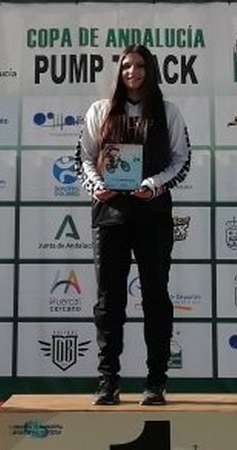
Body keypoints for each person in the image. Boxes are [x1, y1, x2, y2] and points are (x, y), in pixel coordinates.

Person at [76, 43, 191, 406]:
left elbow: (181, 161)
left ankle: (155, 382)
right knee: (109, 301)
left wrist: (153, 184)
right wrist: (97, 186)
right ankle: (108, 382)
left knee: (156, 297)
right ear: (119, 71)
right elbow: (82, 158)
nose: (133, 72)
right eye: (127, 65)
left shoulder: (167, 112)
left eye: (140, 65)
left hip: (152, 216)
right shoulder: (100, 110)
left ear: (150, 70)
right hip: (110, 216)